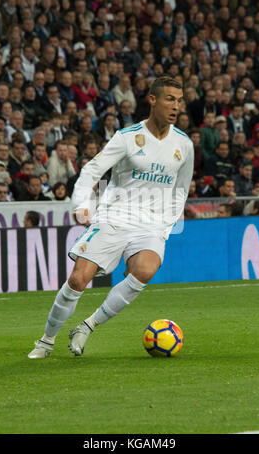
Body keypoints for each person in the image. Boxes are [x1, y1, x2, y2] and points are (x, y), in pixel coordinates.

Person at [28, 75, 194, 359]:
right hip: (115, 216)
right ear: (152, 100)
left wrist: (166, 227)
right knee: (78, 280)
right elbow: (92, 170)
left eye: (179, 101)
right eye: (170, 99)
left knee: (144, 271)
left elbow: (181, 190)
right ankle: (45, 341)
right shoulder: (127, 137)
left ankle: (87, 326)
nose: (176, 106)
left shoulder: (184, 145)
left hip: (151, 225)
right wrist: (82, 204)